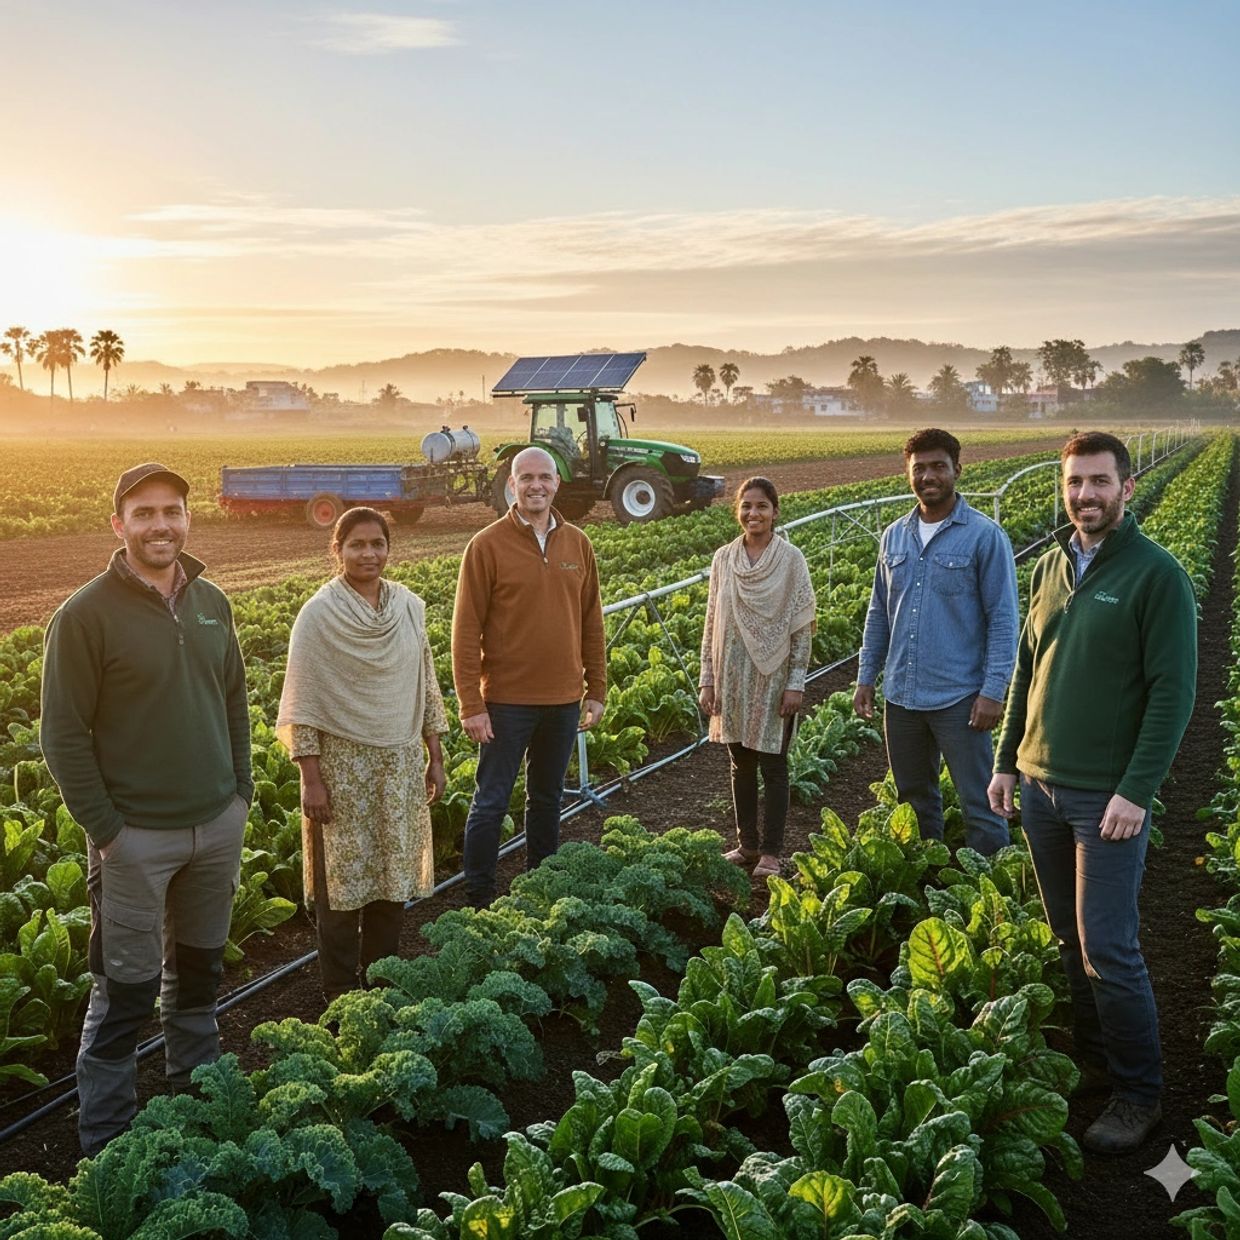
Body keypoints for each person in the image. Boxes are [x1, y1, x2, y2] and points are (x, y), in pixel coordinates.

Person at [988, 431, 1197, 1155]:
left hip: (1104, 799)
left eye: (1099, 482)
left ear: (1126, 488)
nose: (1085, 495)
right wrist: (1006, 760)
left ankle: (1140, 1093)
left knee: (1108, 944)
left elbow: (1174, 694)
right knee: (1064, 936)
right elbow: (1026, 671)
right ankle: (1094, 1063)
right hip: (1041, 789)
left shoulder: (1156, 575)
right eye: (1074, 482)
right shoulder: (1049, 565)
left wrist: (1136, 790)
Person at [40, 462, 252, 1156]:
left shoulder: (212, 601)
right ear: (119, 525)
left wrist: (240, 795)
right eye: (144, 513)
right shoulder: (85, 614)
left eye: (173, 511)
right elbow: (63, 735)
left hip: (215, 824)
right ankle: (107, 1138)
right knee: (124, 990)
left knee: (199, 971)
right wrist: (108, 831)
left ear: (189, 519)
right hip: (135, 837)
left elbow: (233, 704)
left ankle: (195, 1093)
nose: (161, 524)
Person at [277, 507, 447, 1001]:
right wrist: (310, 777)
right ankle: (338, 991)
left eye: (377, 544)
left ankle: (382, 981)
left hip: (397, 765)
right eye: (356, 544)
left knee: (391, 881)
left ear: (389, 549)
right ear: (337, 550)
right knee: (341, 887)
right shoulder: (318, 615)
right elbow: (303, 700)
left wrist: (433, 753)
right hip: (341, 768)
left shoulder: (408, 608)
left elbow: (426, 684)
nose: (368, 554)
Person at [452, 446, 607, 907]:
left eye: (545, 477)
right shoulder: (485, 545)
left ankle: (542, 886)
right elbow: (465, 632)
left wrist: (595, 688)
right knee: (491, 802)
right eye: (527, 478)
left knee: (546, 798)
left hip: (562, 699)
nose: (536, 485)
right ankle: (478, 895)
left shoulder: (577, 542)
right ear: (512, 485)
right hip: (505, 701)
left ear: (557, 483)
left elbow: (591, 621)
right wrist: (471, 705)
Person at [854, 428, 1018, 856]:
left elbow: (1002, 620)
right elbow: (878, 612)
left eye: (938, 467)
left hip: (959, 698)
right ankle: (930, 881)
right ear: (908, 473)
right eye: (919, 468)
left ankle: (994, 894)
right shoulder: (893, 535)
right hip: (902, 697)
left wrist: (993, 691)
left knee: (981, 803)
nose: (928, 476)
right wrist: (865, 676)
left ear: (957, 471)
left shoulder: (984, 536)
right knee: (914, 800)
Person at [699, 477, 816, 879]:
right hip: (732, 677)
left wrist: (795, 682)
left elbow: (801, 628)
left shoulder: (791, 559)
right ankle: (746, 844)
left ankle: (771, 852)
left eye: (762, 506)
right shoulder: (723, 559)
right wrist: (707, 679)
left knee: (774, 764)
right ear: (738, 512)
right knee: (740, 764)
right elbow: (712, 620)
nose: (753, 513)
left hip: (774, 677)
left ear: (775, 511)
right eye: (746, 506)